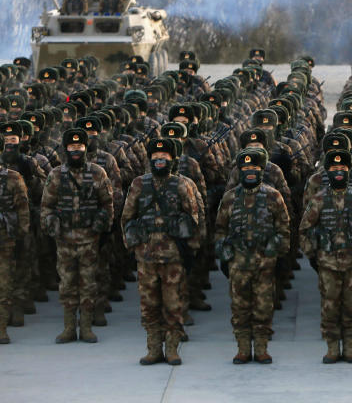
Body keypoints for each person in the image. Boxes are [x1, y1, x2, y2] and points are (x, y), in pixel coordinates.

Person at [122, 137, 202, 365]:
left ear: (172, 159)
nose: (159, 160)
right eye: (156, 157)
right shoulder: (139, 184)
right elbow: (127, 217)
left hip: (173, 256)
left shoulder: (181, 184)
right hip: (146, 257)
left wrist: (190, 252)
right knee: (149, 305)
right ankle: (154, 348)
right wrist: (132, 247)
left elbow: (194, 218)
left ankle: (173, 348)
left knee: (173, 304)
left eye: (164, 156)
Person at [299, 150, 352, 364]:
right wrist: (313, 255)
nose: (339, 172)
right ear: (327, 172)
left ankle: (350, 347)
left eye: (342, 169)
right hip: (327, 263)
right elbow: (305, 229)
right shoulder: (319, 199)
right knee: (330, 306)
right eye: (334, 169)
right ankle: (332, 347)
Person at [215, 147, 290, 364]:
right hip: (238, 264)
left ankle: (262, 348)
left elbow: (284, 229)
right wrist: (224, 251)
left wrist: (274, 250)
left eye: (254, 167)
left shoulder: (273, 196)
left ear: (261, 170)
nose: (250, 171)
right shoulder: (230, 198)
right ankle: (243, 349)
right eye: (246, 167)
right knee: (239, 308)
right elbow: (220, 229)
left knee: (263, 307)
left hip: (264, 264)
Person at [40, 128, 113, 344]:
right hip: (64, 239)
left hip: (89, 238)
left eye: (79, 147)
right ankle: (69, 327)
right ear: (65, 149)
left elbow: (107, 204)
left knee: (89, 283)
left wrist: (102, 224)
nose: (75, 151)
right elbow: (47, 206)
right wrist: (52, 225)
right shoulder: (55, 175)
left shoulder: (98, 173)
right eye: (71, 147)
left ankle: (87, 327)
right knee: (67, 283)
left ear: (85, 148)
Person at [0, 127, 30, 344]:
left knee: (4, 283)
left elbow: (22, 209)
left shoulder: (12, 178)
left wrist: (21, 235)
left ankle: (1, 328)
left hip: (5, 238)